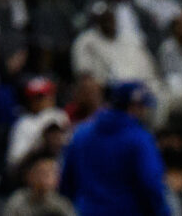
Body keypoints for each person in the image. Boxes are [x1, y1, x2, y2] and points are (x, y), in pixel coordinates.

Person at [60, 81, 167, 216]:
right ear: (134, 107)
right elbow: (151, 184)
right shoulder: (139, 138)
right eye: (143, 107)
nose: (145, 112)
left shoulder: (81, 133)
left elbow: (66, 183)